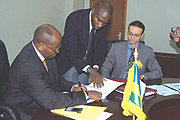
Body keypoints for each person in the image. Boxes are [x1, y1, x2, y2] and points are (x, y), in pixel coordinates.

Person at [5, 24, 102, 120]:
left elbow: (56, 79)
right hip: (27, 112)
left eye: (59, 47)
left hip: (43, 105)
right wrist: (86, 95)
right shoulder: (26, 66)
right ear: (41, 46)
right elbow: (50, 100)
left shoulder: (47, 53)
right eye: (55, 49)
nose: (58, 51)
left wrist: (72, 87)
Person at [56, 1, 113, 88]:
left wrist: (95, 67)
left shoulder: (106, 22)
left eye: (104, 23)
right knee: (73, 95)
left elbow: (100, 46)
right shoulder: (74, 19)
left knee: (85, 93)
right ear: (93, 10)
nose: (100, 25)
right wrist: (90, 70)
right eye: (99, 20)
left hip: (87, 63)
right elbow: (71, 52)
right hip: (69, 64)